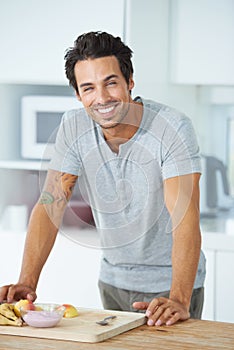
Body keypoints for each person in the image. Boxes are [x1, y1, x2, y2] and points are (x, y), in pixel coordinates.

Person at [0, 31, 206, 327]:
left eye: (110, 83)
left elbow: (184, 216)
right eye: (89, 88)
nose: (102, 98)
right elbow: (50, 205)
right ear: (78, 95)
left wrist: (179, 298)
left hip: (174, 284)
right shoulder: (73, 127)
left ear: (129, 82)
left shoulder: (171, 128)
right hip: (113, 280)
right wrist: (26, 282)